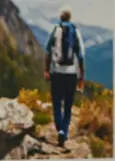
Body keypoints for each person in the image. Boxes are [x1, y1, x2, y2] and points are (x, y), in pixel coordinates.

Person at [43, 5, 85, 147]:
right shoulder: (76, 31)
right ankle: (64, 132)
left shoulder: (55, 30)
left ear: (60, 18)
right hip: (71, 74)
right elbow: (81, 55)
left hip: (57, 73)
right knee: (68, 105)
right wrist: (81, 75)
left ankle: (59, 128)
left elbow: (48, 51)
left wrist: (47, 70)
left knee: (56, 103)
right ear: (70, 17)